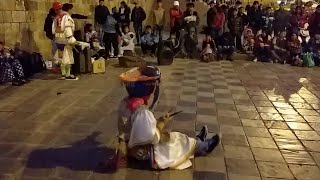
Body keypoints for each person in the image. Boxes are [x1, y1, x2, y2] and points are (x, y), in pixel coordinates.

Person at [117, 65, 220, 170]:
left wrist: (160, 120)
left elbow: (138, 130)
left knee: (174, 138)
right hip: (146, 154)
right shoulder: (142, 112)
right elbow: (152, 137)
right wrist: (162, 123)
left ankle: (198, 141)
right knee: (177, 140)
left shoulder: (126, 103)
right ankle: (204, 146)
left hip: (132, 148)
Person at [52, 2, 78, 80]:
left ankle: (63, 74)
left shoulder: (56, 17)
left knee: (61, 58)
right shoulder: (66, 16)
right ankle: (68, 74)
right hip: (65, 40)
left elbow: (53, 30)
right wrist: (70, 38)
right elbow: (68, 28)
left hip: (58, 40)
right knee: (67, 57)